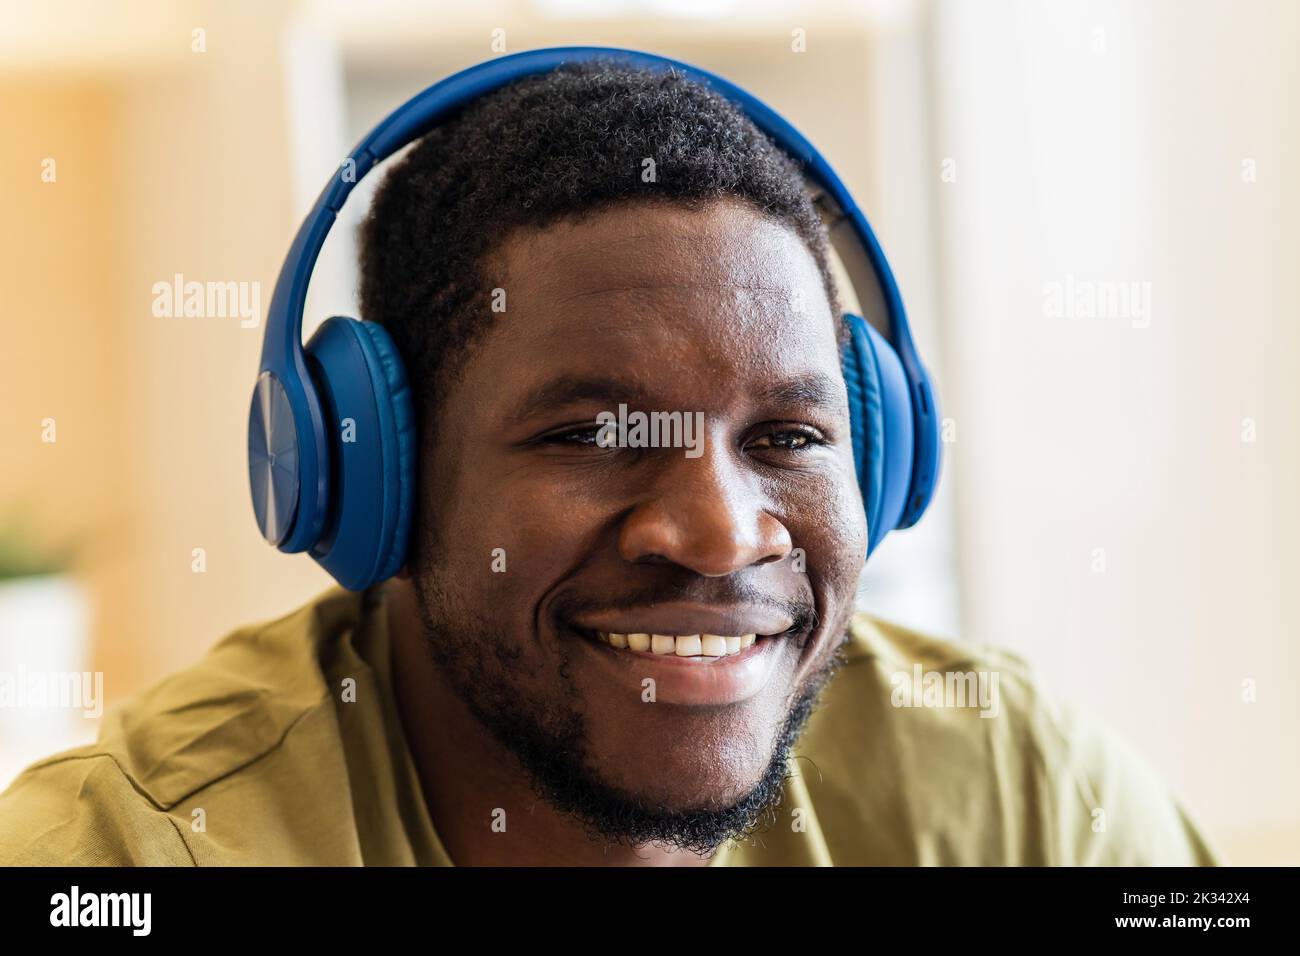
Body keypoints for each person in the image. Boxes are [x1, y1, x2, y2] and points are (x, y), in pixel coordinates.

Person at [0, 60, 1218, 866]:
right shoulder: (125, 859)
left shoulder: (1017, 790)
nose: (719, 531)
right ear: (380, 480)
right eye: (589, 433)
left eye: (788, 438)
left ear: (884, 462)